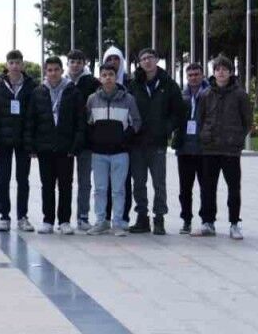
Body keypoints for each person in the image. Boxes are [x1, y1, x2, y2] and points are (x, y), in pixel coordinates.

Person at [25, 56, 85, 234]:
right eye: (49, 70)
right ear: (45, 72)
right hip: (45, 146)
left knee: (66, 185)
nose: (53, 73)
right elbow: (30, 120)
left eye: (56, 70)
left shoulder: (72, 91)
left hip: (66, 147)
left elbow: (80, 121)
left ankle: (64, 221)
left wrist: (75, 146)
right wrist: (31, 146)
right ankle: (48, 221)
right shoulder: (38, 92)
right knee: (47, 185)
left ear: (62, 71)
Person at [193, 56, 252, 239]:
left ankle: (234, 224)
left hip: (230, 150)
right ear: (214, 72)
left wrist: (237, 138)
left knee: (233, 188)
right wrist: (204, 136)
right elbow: (200, 119)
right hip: (210, 148)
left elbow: (247, 121)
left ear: (231, 72)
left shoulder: (240, 95)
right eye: (218, 69)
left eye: (224, 69)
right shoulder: (205, 94)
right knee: (207, 188)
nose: (221, 72)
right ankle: (208, 222)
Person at [127, 47, 182, 235]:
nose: (147, 61)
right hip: (137, 143)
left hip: (157, 143)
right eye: (143, 59)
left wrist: (165, 129)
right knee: (138, 183)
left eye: (150, 57)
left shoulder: (169, 84)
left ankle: (159, 218)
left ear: (157, 59)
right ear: (140, 62)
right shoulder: (133, 85)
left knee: (159, 183)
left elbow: (177, 112)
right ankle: (142, 217)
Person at [86, 63, 141, 236]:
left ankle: (117, 223)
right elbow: (87, 122)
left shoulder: (128, 99)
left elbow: (136, 121)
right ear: (100, 78)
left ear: (116, 77)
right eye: (104, 75)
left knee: (118, 190)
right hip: (99, 153)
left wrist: (125, 138)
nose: (108, 78)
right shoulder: (92, 99)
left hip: (120, 152)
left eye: (111, 74)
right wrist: (94, 138)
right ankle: (101, 221)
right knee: (100, 189)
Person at [0, 49, 35, 232]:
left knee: (23, 180)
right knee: (3, 179)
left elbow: (34, 116)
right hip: (3, 140)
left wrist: (32, 143)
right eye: (12, 63)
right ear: (7, 65)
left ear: (23, 65)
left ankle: (22, 217)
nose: (15, 66)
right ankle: (4, 217)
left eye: (18, 63)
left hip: (24, 140)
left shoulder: (31, 85)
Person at [172, 62, 209, 234]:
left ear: (202, 75)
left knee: (206, 188)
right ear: (187, 77)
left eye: (196, 74)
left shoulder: (209, 94)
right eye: (190, 75)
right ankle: (186, 220)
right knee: (185, 189)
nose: (193, 78)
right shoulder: (182, 96)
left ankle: (206, 220)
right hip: (184, 149)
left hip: (204, 149)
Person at [66, 49, 99, 231]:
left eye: (79, 62)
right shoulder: (61, 82)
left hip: (87, 140)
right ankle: (63, 218)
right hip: (66, 140)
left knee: (85, 181)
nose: (75, 65)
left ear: (84, 64)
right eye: (72, 61)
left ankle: (83, 216)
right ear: (68, 63)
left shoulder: (93, 83)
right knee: (64, 182)